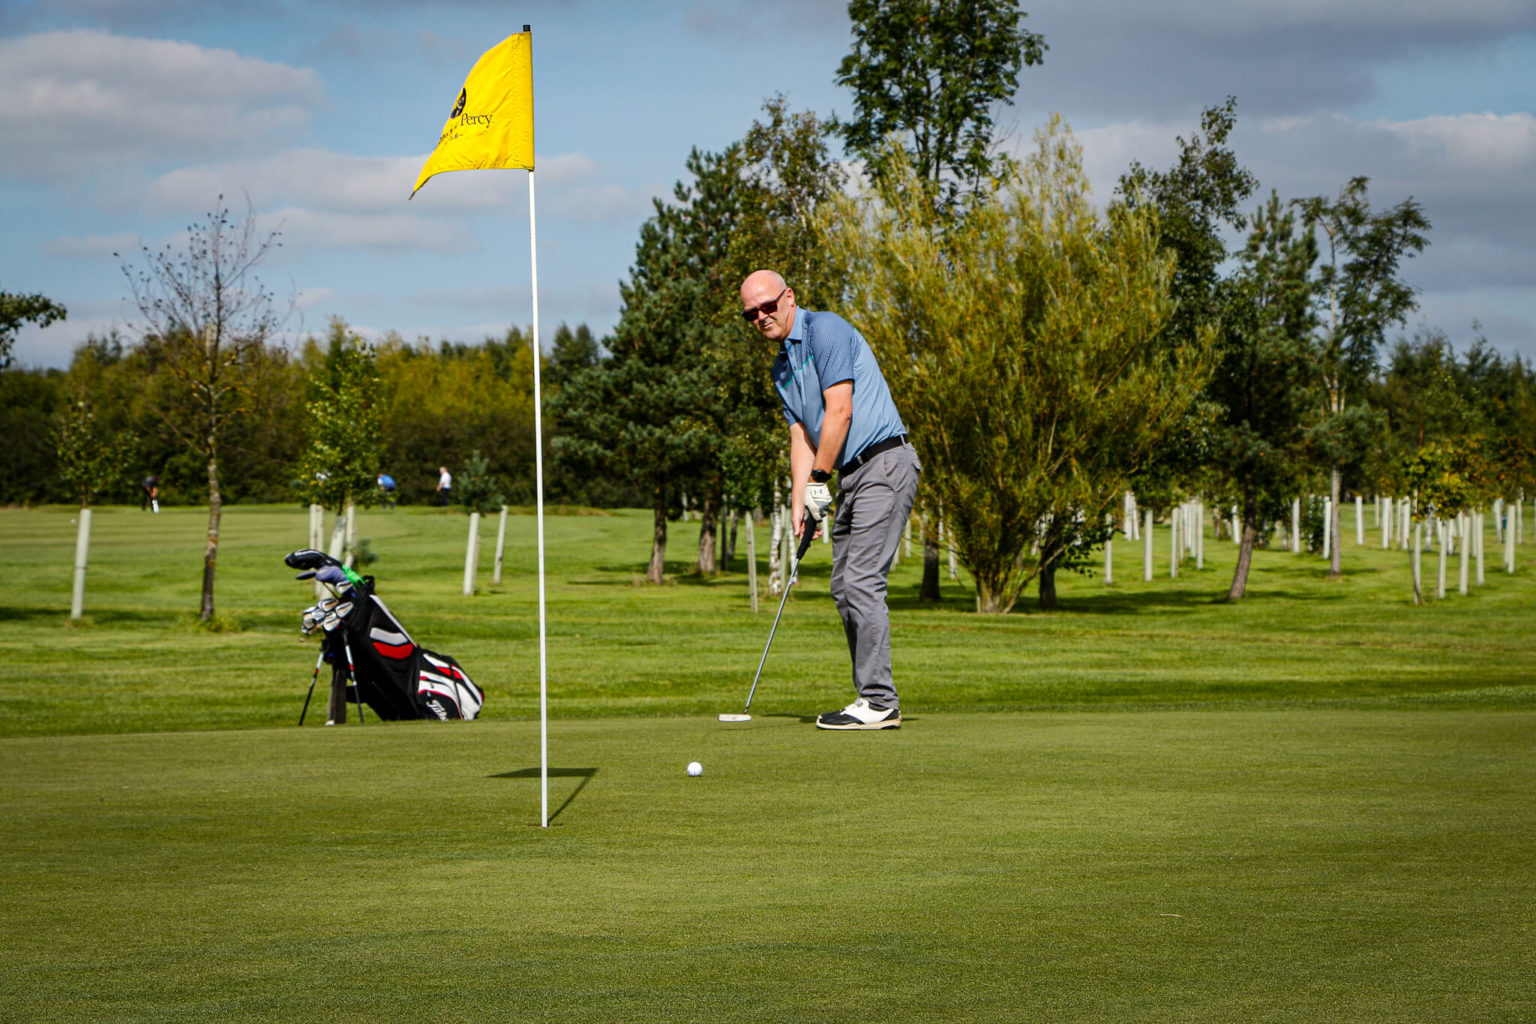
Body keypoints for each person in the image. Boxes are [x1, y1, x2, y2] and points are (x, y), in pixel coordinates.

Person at [740, 269, 921, 730]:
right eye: (751, 314)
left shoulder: (826, 330)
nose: (761, 317)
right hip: (850, 474)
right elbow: (801, 435)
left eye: (768, 306)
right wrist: (801, 500)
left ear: (789, 298)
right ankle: (870, 696)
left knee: (861, 580)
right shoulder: (781, 366)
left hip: (884, 461)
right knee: (843, 586)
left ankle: (880, 702)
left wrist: (820, 478)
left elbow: (841, 409)